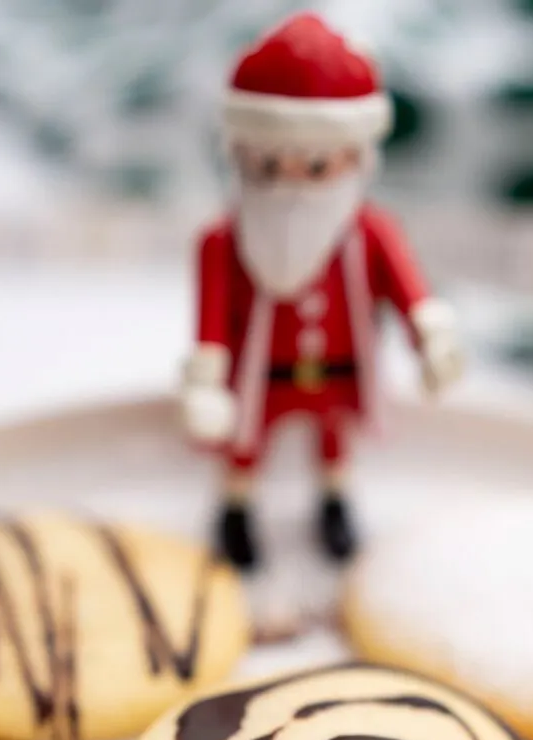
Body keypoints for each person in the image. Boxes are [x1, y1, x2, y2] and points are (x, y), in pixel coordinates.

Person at [180, 11, 464, 570]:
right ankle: (237, 511)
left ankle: (334, 503)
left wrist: (431, 338)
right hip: (257, 377)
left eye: (314, 165)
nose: (291, 178)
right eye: (269, 162)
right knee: (245, 445)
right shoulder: (222, 241)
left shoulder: (372, 233)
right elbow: (210, 319)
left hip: (338, 372)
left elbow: (411, 293)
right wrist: (205, 383)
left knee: (335, 441)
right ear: (240, 152)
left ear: (356, 156)